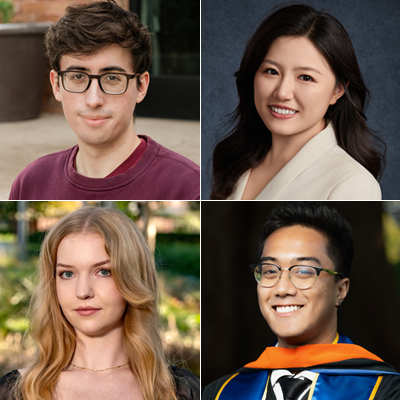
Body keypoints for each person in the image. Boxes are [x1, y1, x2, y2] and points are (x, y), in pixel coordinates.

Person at [202, 202, 400, 399]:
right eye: (270, 271)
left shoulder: (385, 391)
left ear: (340, 290)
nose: (282, 289)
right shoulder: (219, 392)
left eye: (304, 271)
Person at [0, 207, 199, 400]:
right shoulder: (17, 392)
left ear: (132, 278)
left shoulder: (180, 391)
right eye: (67, 274)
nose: (83, 292)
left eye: (103, 271)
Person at [9, 0, 200, 200]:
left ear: (141, 86)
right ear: (57, 85)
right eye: (77, 77)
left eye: (111, 78)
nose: (94, 100)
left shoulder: (187, 187)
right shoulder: (30, 183)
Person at [210, 4, 385, 200]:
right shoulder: (235, 160)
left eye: (306, 77)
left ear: (338, 90)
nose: (283, 92)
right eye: (272, 71)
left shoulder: (353, 183)